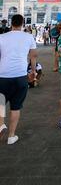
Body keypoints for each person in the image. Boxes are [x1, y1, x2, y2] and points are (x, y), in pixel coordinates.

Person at [0, 14, 37, 145]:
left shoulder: (1, 37)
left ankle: (1, 125)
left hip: (2, 76)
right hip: (20, 76)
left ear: (11, 23)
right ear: (22, 23)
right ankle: (11, 136)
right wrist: (33, 72)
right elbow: (33, 56)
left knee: (1, 103)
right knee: (15, 107)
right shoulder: (28, 37)